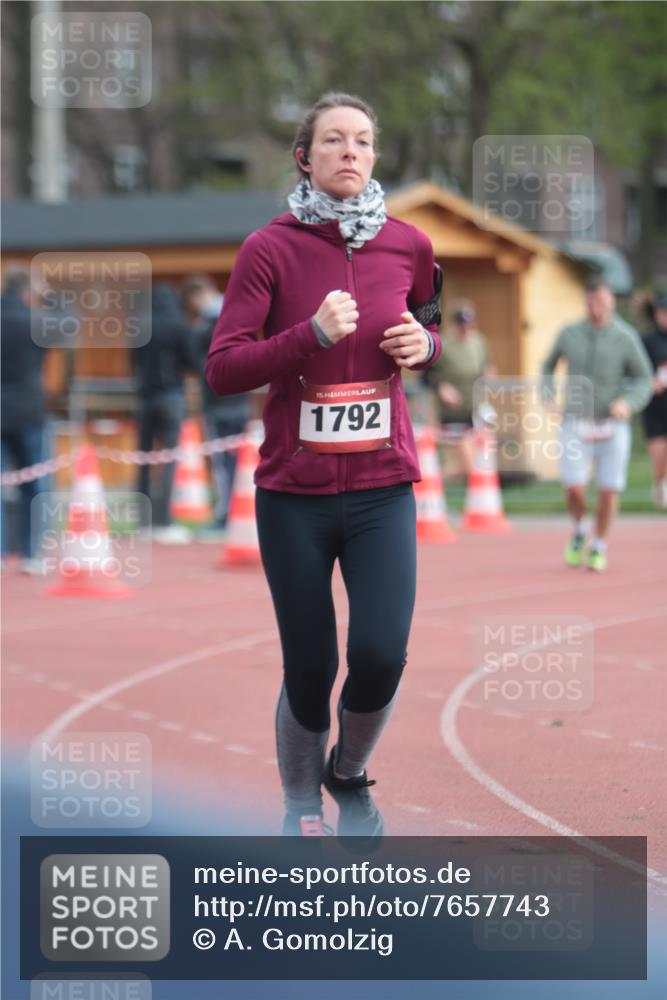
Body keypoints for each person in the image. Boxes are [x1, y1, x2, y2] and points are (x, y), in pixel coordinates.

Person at [205, 93, 443, 838]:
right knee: (310, 664)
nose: (350, 151)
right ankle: (300, 807)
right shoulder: (268, 248)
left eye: (363, 141)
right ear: (304, 157)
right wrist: (308, 334)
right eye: (334, 140)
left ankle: (347, 772)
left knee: (380, 653)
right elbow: (223, 368)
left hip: (381, 490)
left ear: (375, 156)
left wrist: (425, 347)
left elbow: (429, 320)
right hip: (293, 496)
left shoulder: (409, 245)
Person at [542, 277, 652, 572]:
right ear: (585, 302)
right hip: (575, 421)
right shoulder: (569, 333)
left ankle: (599, 545)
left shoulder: (625, 337)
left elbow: (644, 377)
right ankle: (580, 529)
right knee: (574, 488)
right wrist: (549, 396)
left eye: (602, 303)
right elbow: (547, 367)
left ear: (612, 302)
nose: (596, 309)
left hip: (611, 424)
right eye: (591, 303)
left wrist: (628, 403)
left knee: (608, 490)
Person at [182, 275, 251, 529]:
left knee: (222, 461)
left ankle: (225, 513)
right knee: (239, 459)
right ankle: (239, 510)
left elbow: (199, 365)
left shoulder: (201, 328)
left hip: (217, 403)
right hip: (240, 400)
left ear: (196, 297)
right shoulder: (238, 319)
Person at [133, 282, 196, 543]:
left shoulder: (141, 327)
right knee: (169, 459)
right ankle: (164, 520)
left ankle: (142, 520)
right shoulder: (178, 325)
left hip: (145, 398)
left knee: (144, 459)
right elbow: (192, 361)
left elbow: (133, 362)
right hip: (171, 396)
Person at [1, 269, 50, 573]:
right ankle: (31, 554)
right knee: (32, 483)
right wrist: (51, 297)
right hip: (29, 411)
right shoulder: (36, 322)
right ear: (27, 292)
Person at [421, 303, 495, 475]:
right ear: (454, 324)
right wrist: (441, 387)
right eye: (462, 325)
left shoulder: (479, 341)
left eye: (469, 324)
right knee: (467, 460)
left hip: (475, 406)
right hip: (451, 410)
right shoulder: (442, 344)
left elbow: (487, 365)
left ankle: (440, 478)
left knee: (472, 459)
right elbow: (426, 376)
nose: (466, 329)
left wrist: (489, 375)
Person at [640, 292, 667, 509]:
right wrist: (650, 381)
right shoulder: (647, 340)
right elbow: (637, 369)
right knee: (659, 458)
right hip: (655, 408)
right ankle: (659, 483)